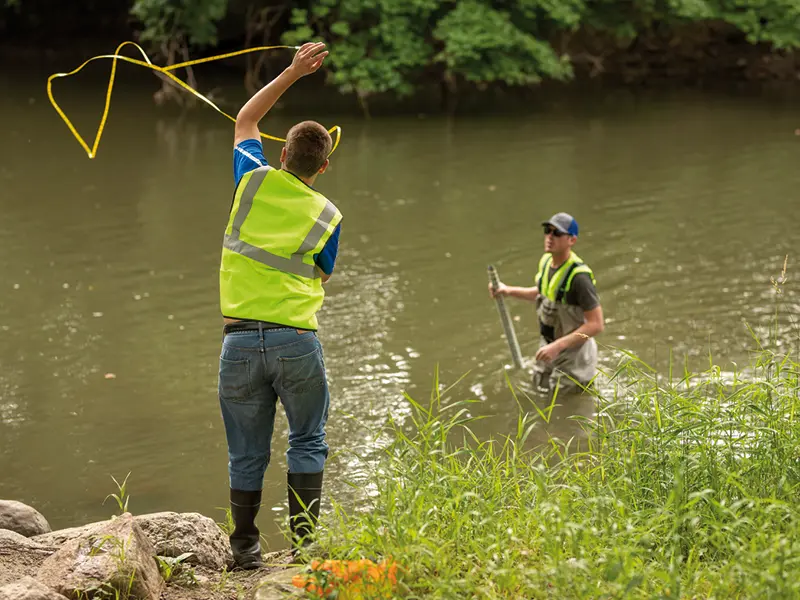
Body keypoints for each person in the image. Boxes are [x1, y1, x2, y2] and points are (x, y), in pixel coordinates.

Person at [218, 42, 340, 569]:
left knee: (246, 452)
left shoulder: (251, 179)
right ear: (324, 165)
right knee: (308, 440)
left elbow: (246, 119)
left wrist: (293, 72)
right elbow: (323, 271)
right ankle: (304, 550)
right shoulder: (328, 215)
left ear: (283, 154)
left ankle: (244, 550)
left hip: (240, 342)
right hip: (296, 342)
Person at [490, 212, 604, 394]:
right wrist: (508, 290)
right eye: (547, 231)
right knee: (540, 388)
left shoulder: (579, 278)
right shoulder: (546, 263)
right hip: (549, 345)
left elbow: (596, 325)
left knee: (569, 400)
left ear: (572, 240)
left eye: (557, 233)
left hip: (574, 354)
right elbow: (541, 293)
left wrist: (558, 346)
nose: (550, 237)